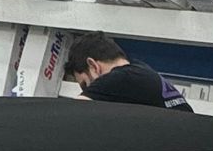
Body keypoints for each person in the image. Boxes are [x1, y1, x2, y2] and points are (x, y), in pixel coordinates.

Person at [62, 31, 190, 109]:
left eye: (85, 84)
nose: (87, 90)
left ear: (93, 66)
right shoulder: (140, 70)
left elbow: (73, 115)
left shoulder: (119, 78)